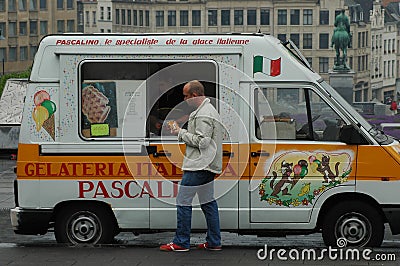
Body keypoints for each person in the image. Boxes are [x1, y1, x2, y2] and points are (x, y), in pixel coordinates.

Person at [160, 80, 223, 252]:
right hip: (207, 165)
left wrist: (180, 132)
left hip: (198, 166)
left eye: (186, 96)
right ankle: (214, 241)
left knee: (183, 201)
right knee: (208, 203)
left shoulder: (203, 114)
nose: (184, 99)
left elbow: (202, 142)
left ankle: (181, 242)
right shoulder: (208, 110)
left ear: (194, 95)